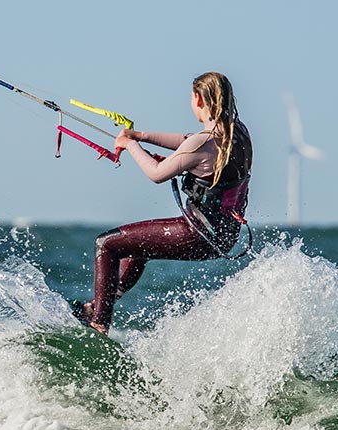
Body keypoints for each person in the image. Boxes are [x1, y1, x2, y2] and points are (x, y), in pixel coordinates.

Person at [73, 71, 253, 335]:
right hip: (224, 237)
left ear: (198, 99)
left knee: (106, 244)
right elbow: (186, 143)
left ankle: (98, 322)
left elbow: (158, 174)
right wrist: (141, 136)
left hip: (196, 233)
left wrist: (128, 145)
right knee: (138, 245)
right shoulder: (238, 133)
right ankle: (99, 307)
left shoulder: (204, 142)